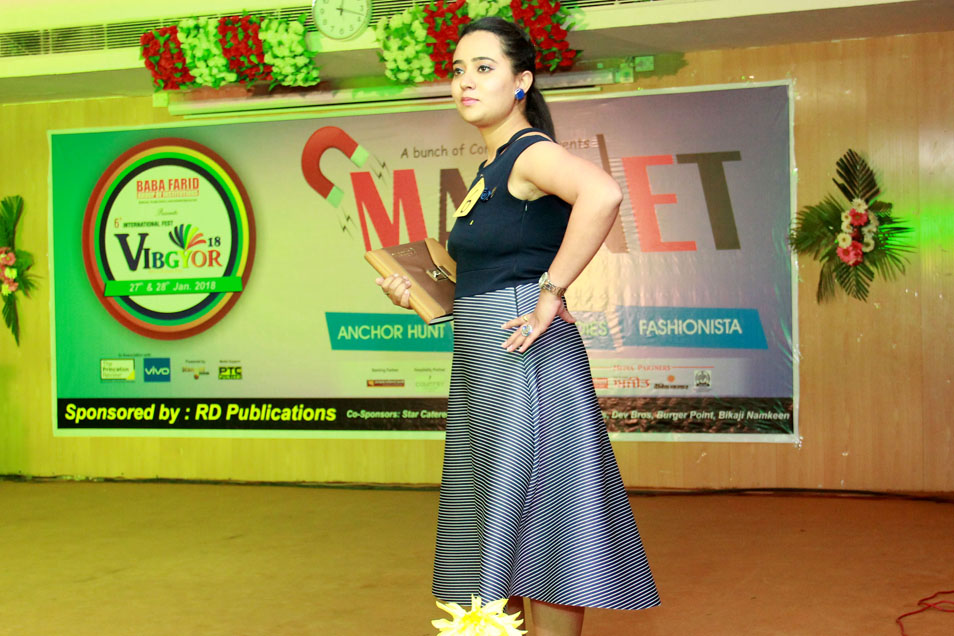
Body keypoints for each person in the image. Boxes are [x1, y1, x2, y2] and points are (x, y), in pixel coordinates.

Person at [377, 17, 659, 636]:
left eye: (484, 68)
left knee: (545, 539)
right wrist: (416, 293)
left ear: (522, 82)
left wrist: (550, 292)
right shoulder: (492, 166)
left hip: (523, 360)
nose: (465, 81)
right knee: (498, 538)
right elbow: (483, 276)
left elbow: (603, 195)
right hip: (485, 362)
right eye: (458, 70)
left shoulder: (530, 151)